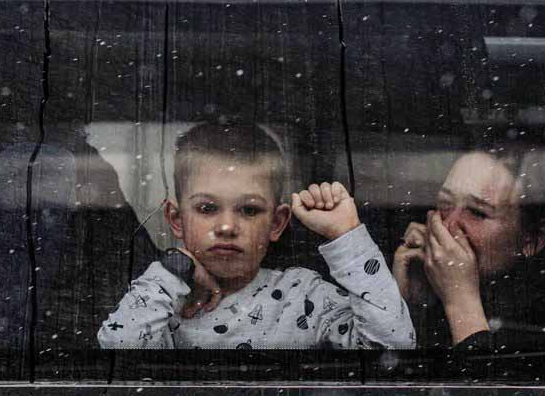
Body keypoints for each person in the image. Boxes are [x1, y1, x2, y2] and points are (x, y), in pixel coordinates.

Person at [97, 122, 415, 349]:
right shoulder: (160, 296)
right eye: (207, 208)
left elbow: (391, 348)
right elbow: (116, 351)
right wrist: (174, 270)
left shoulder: (303, 295)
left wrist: (346, 236)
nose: (226, 226)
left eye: (249, 210)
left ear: (276, 223)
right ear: (176, 219)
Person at [392, 146, 545, 351]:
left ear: (533, 238)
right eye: (445, 203)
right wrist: (407, 309)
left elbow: (486, 379)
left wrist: (461, 303)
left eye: (477, 212)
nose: (448, 225)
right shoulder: (434, 295)